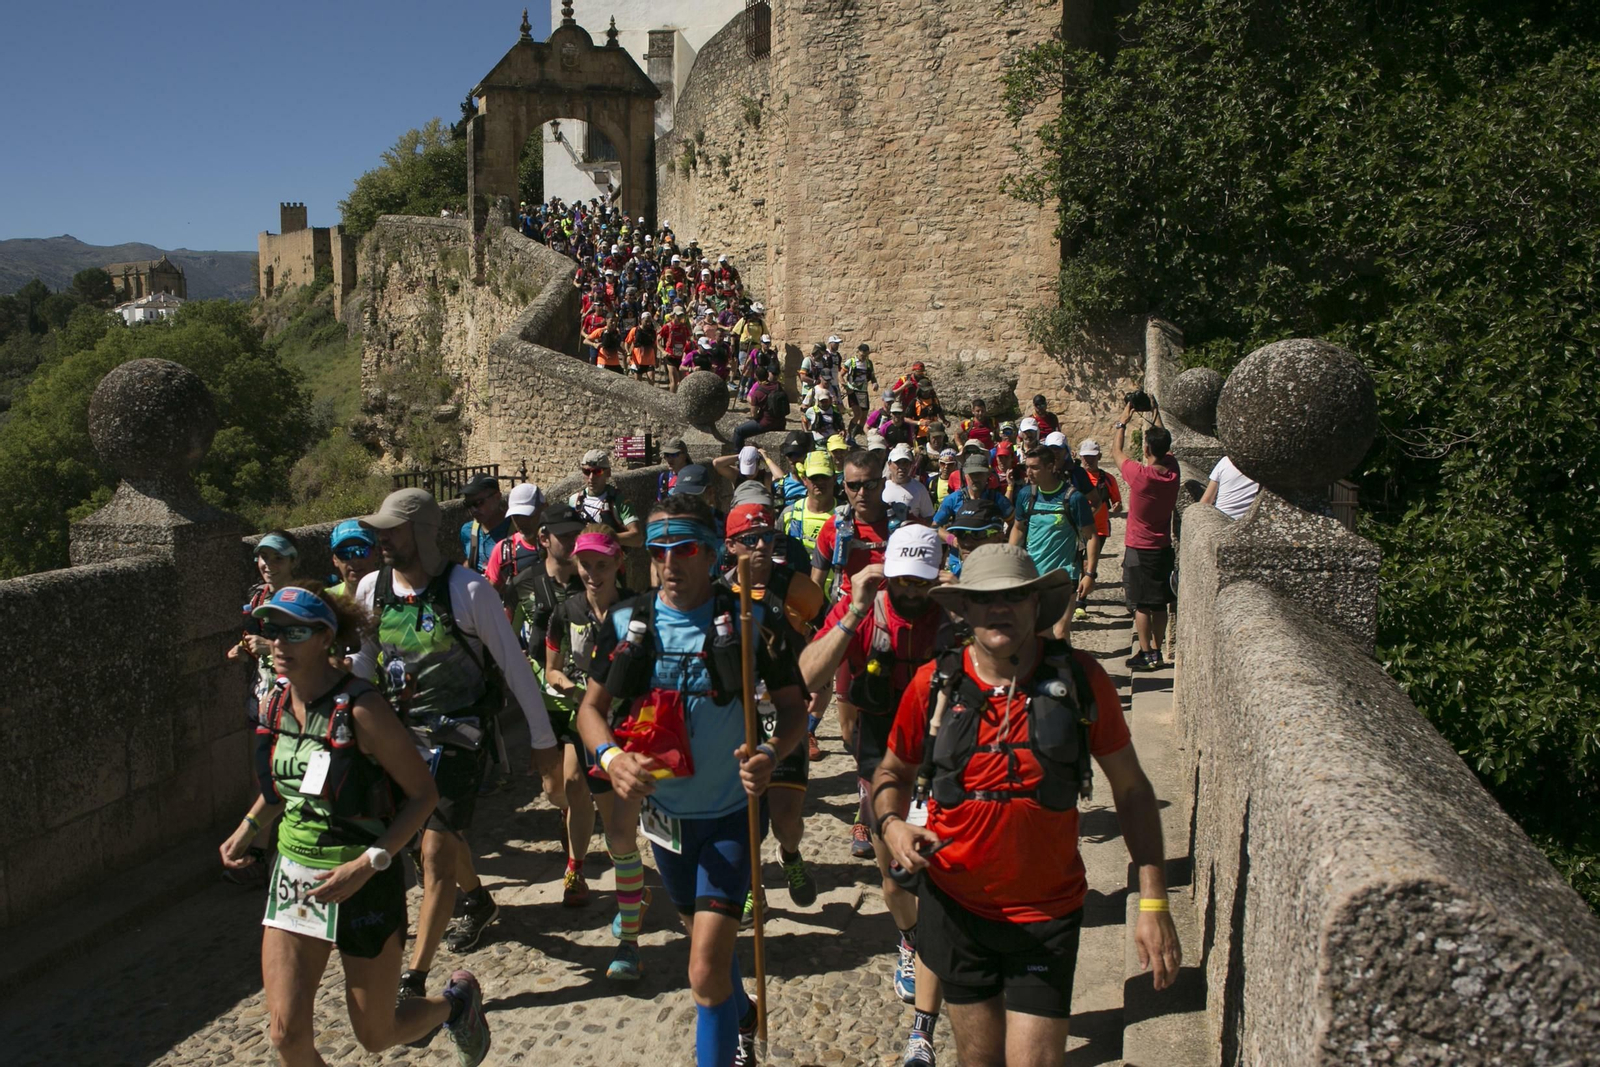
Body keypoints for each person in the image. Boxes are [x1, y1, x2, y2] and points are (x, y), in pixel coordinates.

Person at [873, 545, 1182, 1067]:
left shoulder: (1082, 681)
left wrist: (1153, 901)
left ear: (1035, 605)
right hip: (955, 908)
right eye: (986, 598)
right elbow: (891, 772)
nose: (1000, 608)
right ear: (964, 609)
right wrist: (892, 825)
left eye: (1014, 596)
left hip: (1046, 914)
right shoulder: (933, 685)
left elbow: (1132, 791)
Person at [575, 494, 809, 1067]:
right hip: (666, 824)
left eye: (684, 550)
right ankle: (743, 1016)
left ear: (710, 554)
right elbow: (590, 710)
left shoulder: (755, 617)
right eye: (659, 552)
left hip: (731, 815)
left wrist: (773, 755)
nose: (670, 564)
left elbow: (796, 709)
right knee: (715, 956)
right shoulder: (628, 622)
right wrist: (609, 758)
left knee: (703, 973)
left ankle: (728, 1039)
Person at [222, 585, 493, 1067]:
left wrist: (368, 864)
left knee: (376, 1032)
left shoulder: (361, 708)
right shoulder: (274, 704)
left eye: (294, 631)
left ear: (325, 638)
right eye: (271, 630)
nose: (279, 643)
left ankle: (456, 1004)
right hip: (294, 881)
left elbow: (422, 796)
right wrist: (249, 826)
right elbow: (286, 784)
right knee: (286, 1035)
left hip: (363, 881)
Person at [347, 489, 564, 1007]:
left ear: (421, 531)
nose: (382, 540)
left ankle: (414, 982)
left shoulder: (468, 591)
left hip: (461, 739)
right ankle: (480, 900)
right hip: (399, 741)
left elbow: (515, 667)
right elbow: (359, 670)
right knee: (430, 841)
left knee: (434, 853)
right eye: (378, 531)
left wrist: (543, 743)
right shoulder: (372, 591)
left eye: (392, 531)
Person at [799, 526, 954, 1062]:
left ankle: (938, 951)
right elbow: (808, 675)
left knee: (935, 874)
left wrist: (958, 603)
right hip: (883, 758)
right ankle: (910, 939)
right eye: (903, 579)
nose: (912, 591)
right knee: (893, 880)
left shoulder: (948, 613)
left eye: (923, 581)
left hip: (942, 756)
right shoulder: (865, 608)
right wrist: (854, 611)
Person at [545, 523, 651, 980]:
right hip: (593, 735)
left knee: (645, 837)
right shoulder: (563, 611)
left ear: (618, 565)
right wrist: (567, 687)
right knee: (620, 836)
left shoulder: (639, 610)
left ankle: (634, 915)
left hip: (642, 734)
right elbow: (550, 668)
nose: (592, 573)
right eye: (585, 564)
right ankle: (630, 933)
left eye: (601, 565)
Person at [719, 504, 828, 925]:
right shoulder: (715, 595)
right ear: (731, 545)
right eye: (750, 538)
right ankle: (751, 886)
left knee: (785, 820)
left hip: (783, 717)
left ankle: (790, 854)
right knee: (746, 819)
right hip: (736, 720)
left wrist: (819, 685)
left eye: (766, 535)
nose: (761, 544)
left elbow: (823, 639)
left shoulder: (801, 590)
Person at [486, 497, 591, 901]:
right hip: (540, 701)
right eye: (564, 537)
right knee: (553, 790)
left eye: (577, 535)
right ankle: (571, 825)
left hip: (584, 701)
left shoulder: (593, 579)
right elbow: (506, 637)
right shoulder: (522, 584)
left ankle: (574, 871)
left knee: (574, 781)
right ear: (544, 538)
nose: (573, 543)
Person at [1111, 402, 1179, 670]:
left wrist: (1122, 422)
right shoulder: (1172, 472)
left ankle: (1145, 652)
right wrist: (1155, 413)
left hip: (1139, 548)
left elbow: (1116, 452)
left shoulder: (1141, 476)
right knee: (1160, 602)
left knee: (1140, 604)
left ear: (1147, 449)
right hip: (1162, 547)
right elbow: (1164, 441)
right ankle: (1159, 651)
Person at [1010, 446, 1099, 638]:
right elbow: (1018, 528)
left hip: (1064, 575)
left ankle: (1065, 667)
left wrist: (1090, 574)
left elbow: (1091, 536)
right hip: (1033, 575)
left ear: (1050, 467)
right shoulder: (1027, 495)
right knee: (1038, 633)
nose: (1029, 472)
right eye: (1027, 467)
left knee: (1059, 632)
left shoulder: (1073, 498)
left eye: (1034, 467)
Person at [571, 450, 646, 548]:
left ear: (608, 473)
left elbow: (637, 538)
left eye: (597, 472)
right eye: (586, 472)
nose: (591, 477)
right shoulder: (574, 501)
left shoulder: (619, 500)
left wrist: (603, 538)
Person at [933, 454, 1015, 531]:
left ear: (988, 474)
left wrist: (1005, 540)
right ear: (965, 475)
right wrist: (951, 540)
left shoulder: (998, 499)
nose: (975, 479)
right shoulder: (953, 499)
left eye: (979, 474)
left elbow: (1015, 524)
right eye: (972, 474)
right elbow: (935, 527)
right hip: (961, 545)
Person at [459, 474, 511, 575]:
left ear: (497, 497)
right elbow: (470, 562)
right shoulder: (468, 530)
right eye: (468, 504)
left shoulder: (515, 530)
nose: (473, 510)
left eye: (479, 502)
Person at [943, 497, 1007, 577]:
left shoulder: (1013, 581)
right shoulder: (955, 575)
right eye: (960, 533)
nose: (966, 543)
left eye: (977, 534)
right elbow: (935, 526)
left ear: (998, 538)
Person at [733, 366, 789, 449]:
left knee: (738, 431)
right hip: (781, 421)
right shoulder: (778, 386)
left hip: (766, 423)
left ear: (756, 377)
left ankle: (738, 456)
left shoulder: (758, 392)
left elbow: (753, 414)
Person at [327, 521, 379, 600]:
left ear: (376, 553)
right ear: (335, 559)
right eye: (344, 553)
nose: (354, 560)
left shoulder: (394, 596)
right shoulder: (327, 601)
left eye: (361, 551)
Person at [884, 443, 935, 520]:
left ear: (911, 465)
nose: (902, 467)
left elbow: (929, 517)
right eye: (897, 462)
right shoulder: (881, 487)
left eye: (905, 462)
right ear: (889, 464)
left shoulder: (919, 489)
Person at [1200, 455, 1260, 519]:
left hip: (1220, 517)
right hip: (1245, 521)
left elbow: (1207, 499)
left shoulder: (1226, 461)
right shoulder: (1265, 468)